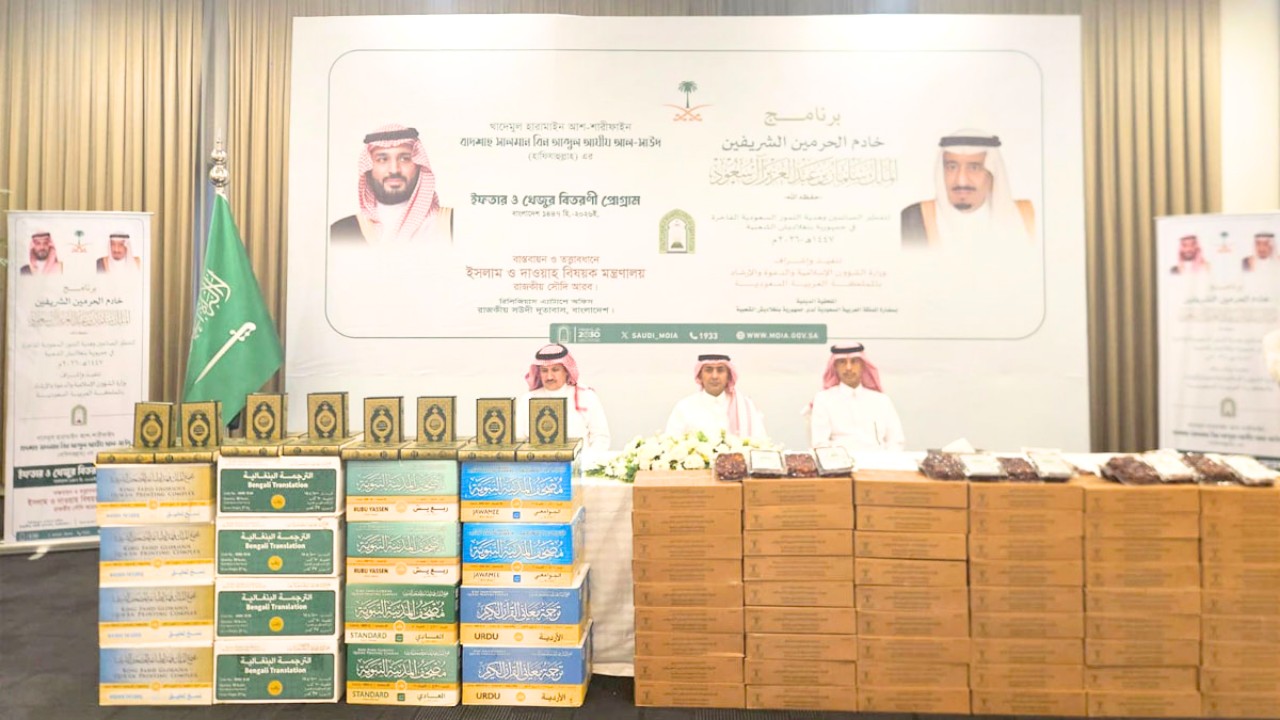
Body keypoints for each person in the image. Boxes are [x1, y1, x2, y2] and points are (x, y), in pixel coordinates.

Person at [901, 130, 1035, 246]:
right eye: (952, 167)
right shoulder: (914, 218)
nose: (961, 180)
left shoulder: (1026, 217)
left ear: (991, 174)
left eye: (974, 168)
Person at [329, 124, 453, 245]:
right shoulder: (342, 232)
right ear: (369, 168)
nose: (394, 170)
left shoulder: (451, 224)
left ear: (418, 165)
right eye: (382, 159)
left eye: (404, 159)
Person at [807, 343, 905, 452]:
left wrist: (886, 460)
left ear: (862, 365)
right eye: (842, 362)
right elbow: (820, 443)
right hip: (839, 461)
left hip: (879, 460)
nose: (848, 368)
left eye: (854, 361)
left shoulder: (881, 400)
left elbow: (896, 440)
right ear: (835, 366)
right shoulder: (823, 399)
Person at [516, 343, 611, 453]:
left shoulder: (586, 396)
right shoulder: (527, 400)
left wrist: (587, 461)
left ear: (566, 371)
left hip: (579, 462)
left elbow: (601, 437)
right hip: (536, 462)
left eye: (555, 370)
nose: (549, 376)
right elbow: (519, 438)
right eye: (544, 370)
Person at [665, 353, 767, 440]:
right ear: (700, 375)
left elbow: (761, 444)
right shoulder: (684, 407)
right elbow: (670, 444)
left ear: (728, 376)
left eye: (720, 370)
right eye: (708, 370)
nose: (714, 376)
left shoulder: (745, 407)